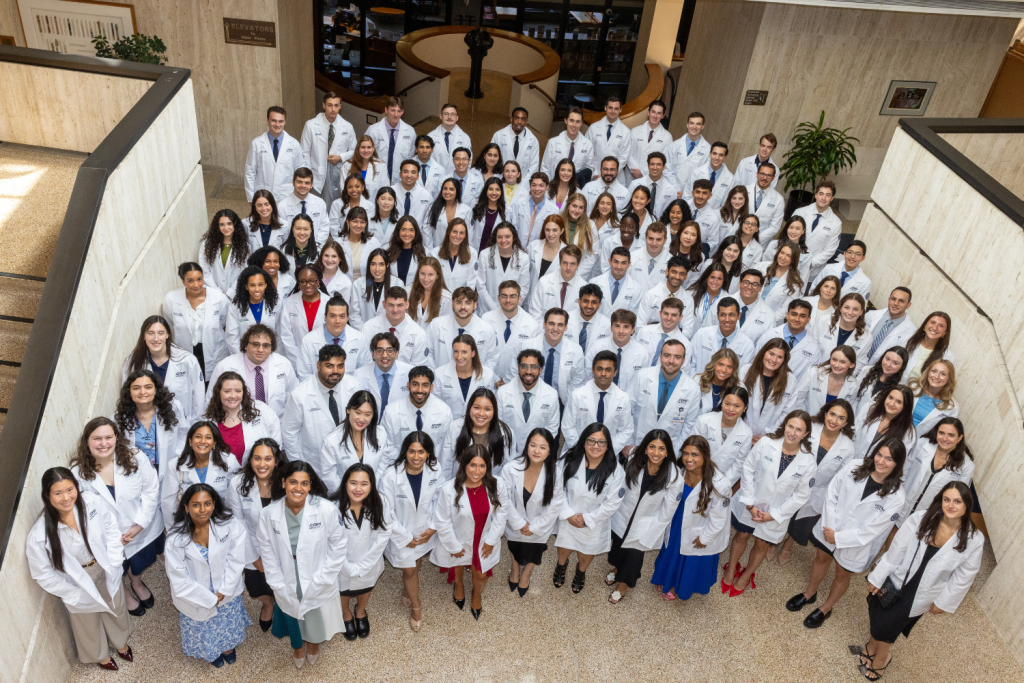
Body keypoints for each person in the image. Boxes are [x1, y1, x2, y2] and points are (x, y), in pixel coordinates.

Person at [860, 482, 984, 680]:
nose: (951, 505)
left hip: (923, 591)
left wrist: (944, 602)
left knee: (890, 625)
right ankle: (873, 644)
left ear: (967, 505)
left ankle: (882, 657)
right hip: (897, 579)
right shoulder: (921, 518)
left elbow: (965, 576)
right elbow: (896, 550)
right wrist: (879, 575)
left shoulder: (974, 539)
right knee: (876, 610)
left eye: (957, 501)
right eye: (947, 499)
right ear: (940, 501)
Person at [787, 439, 907, 629]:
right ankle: (809, 594)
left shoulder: (897, 496)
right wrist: (830, 528)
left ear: (898, 464)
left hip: (855, 543)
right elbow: (832, 493)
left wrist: (839, 538)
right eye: (879, 455)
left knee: (842, 575)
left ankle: (826, 608)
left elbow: (873, 530)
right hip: (830, 528)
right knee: (820, 559)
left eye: (889, 459)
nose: (881, 462)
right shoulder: (855, 466)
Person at [26, 468, 133, 670]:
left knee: (115, 605)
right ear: (47, 497)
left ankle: (121, 643)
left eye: (70, 489)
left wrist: (114, 560)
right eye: (58, 493)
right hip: (75, 580)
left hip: (103, 565)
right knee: (86, 621)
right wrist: (73, 593)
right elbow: (43, 574)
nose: (66, 498)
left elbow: (111, 527)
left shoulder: (91, 502)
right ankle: (100, 656)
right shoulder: (39, 534)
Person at [258, 461, 347, 669]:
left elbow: (339, 545)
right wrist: (275, 580)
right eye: (293, 482)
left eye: (304, 483)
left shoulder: (326, 509)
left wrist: (324, 576)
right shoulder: (269, 514)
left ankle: (313, 644)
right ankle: (298, 646)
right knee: (291, 609)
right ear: (283, 482)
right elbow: (268, 551)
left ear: (310, 485)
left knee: (314, 611)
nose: (298, 488)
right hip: (286, 572)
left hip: (317, 570)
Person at [71, 416, 161, 617]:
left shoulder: (135, 456)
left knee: (139, 563)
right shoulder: (77, 474)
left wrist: (139, 525)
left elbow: (151, 490)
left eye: (108, 437)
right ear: (87, 441)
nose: (103, 443)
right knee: (115, 568)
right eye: (97, 438)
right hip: (107, 539)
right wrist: (110, 537)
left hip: (140, 529)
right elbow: (78, 513)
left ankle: (136, 583)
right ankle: (126, 594)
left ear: (116, 438)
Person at [724, 410, 814, 595]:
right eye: (790, 426)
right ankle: (731, 569)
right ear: (784, 425)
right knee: (741, 536)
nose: (792, 432)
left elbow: (801, 495)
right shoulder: (767, 443)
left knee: (761, 545)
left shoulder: (808, 461)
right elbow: (748, 469)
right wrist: (750, 505)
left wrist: (774, 515)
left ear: (805, 434)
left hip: (776, 513)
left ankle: (746, 575)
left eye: (799, 430)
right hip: (751, 503)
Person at [165, 484, 250, 667]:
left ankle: (228, 647)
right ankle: (211, 652)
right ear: (186, 507)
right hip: (194, 594)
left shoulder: (229, 525)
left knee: (227, 620)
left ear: (214, 504)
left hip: (226, 588)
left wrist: (225, 589)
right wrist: (207, 597)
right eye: (196, 505)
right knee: (203, 626)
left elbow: (236, 559)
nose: (202, 510)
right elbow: (178, 577)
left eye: (207, 504)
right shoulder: (175, 538)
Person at [430, 445, 511, 619]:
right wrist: (453, 546)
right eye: (472, 465)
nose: (477, 471)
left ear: (488, 467)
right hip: (457, 538)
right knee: (458, 562)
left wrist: (491, 541)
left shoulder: (497, 485)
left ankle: (476, 594)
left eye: (482, 466)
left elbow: (502, 513)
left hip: (484, 539)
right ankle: (458, 584)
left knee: (480, 575)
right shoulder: (449, 489)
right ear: (464, 465)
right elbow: (442, 521)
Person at [650, 434, 732, 601]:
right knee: (672, 552)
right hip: (677, 522)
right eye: (685, 453)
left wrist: (705, 537)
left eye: (695, 454)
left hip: (701, 528)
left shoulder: (720, 484)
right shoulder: (679, 471)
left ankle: (679, 586)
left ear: (705, 456)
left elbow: (719, 519)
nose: (688, 459)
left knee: (690, 560)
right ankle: (666, 579)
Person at [776, 399, 856, 566]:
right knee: (781, 510)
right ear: (825, 413)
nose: (834, 420)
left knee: (801, 522)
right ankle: (772, 542)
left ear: (846, 423)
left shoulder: (848, 447)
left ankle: (787, 546)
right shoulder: (810, 427)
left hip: (818, 490)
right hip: (793, 479)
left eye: (840, 418)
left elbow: (840, 477)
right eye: (832, 414)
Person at [606, 429, 683, 603]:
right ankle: (617, 568)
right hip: (623, 515)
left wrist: (653, 530)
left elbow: (668, 509)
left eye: (661, 448)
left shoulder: (674, 475)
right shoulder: (634, 457)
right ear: (645, 448)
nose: (656, 453)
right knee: (617, 547)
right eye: (652, 447)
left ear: (668, 451)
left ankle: (624, 584)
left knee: (634, 556)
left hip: (647, 522)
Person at [380, 432, 445, 631]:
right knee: (409, 570)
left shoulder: (435, 471)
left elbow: (441, 501)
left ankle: (408, 591)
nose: (416, 457)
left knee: (415, 566)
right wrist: (405, 537)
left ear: (428, 454)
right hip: (400, 533)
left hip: (424, 531)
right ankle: (417, 608)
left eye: (421, 452)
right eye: (411, 451)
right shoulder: (391, 476)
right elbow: (385, 512)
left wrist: (433, 527)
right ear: (405, 452)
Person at [553, 423, 625, 593]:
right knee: (565, 544)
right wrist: (568, 514)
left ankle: (581, 572)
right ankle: (561, 566)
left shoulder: (616, 470)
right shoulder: (567, 459)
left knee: (588, 548)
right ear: (583, 441)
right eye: (591, 440)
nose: (596, 446)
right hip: (568, 515)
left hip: (595, 520)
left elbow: (612, 503)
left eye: (601, 442)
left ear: (608, 446)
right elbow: (556, 489)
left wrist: (588, 519)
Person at [224, 438, 286, 631]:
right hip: (251, 545)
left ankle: (285, 608)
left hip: (283, 545)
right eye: (257, 458)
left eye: (268, 458)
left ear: (276, 461)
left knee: (284, 585)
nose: (262, 464)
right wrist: (256, 559)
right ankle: (269, 604)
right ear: (250, 460)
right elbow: (238, 525)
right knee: (256, 588)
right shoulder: (238, 483)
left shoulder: (286, 481)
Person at [501, 428, 565, 596]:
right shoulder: (511, 468)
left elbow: (556, 504)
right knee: (514, 545)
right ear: (527, 446)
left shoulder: (556, 473)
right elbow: (504, 499)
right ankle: (515, 568)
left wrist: (535, 526)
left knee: (536, 550)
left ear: (550, 450)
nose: (537, 451)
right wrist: (520, 523)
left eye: (543, 447)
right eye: (533, 445)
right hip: (515, 522)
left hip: (540, 524)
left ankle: (527, 572)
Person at [330, 464, 391, 640]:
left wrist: (366, 563)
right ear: (345, 484)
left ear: (371, 485)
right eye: (353, 483)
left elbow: (385, 532)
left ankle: (360, 611)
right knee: (343, 591)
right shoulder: (332, 507)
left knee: (366, 585)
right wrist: (347, 567)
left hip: (370, 560)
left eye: (364, 484)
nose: (358, 489)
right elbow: (329, 543)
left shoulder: (381, 502)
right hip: (341, 564)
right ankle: (346, 614)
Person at [282, 344, 360, 473]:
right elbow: (289, 434)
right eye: (329, 366)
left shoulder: (354, 386)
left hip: (348, 461)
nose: (335, 371)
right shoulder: (299, 395)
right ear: (318, 365)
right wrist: (300, 468)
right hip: (314, 465)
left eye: (340, 366)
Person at [498, 307, 585, 408]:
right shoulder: (526, 346)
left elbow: (577, 382)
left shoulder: (576, 351)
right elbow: (513, 375)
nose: (555, 328)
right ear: (544, 324)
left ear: (566, 327)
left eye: (560, 325)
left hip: (560, 403)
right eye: (551, 323)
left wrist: (566, 402)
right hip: (527, 399)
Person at [204, 324, 297, 419]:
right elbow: (211, 401)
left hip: (276, 424)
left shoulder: (284, 365)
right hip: (237, 424)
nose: (260, 350)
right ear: (245, 345)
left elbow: (294, 399)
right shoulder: (225, 366)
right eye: (255, 344)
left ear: (271, 348)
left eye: (266, 345)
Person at [122, 315, 204, 422]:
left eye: (160, 333)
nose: (156, 338)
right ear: (143, 336)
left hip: (182, 425)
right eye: (150, 333)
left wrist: (195, 426)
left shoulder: (187, 360)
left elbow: (199, 397)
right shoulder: (132, 363)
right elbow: (126, 397)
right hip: (147, 424)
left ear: (167, 335)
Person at [161, 421, 240, 529]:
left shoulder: (229, 461)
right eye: (198, 437)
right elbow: (168, 504)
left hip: (222, 523)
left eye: (208, 437)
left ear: (214, 442)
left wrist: (234, 527)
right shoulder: (175, 465)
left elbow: (236, 498)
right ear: (190, 441)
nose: (203, 441)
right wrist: (174, 531)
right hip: (187, 525)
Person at [113, 369, 185, 488]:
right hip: (138, 473)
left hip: (169, 467)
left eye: (148, 387)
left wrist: (177, 457)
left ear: (156, 389)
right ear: (129, 392)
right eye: (136, 388)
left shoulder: (172, 409)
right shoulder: (120, 417)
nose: (142, 392)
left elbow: (184, 433)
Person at [628, 339, 702, 447]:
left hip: (669, 451)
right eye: (667, 355)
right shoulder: (642, 376)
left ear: (683, 360)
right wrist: (628, 443)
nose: (671, 361)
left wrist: (676, 454)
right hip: (637, 445)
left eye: (677, 357)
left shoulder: (692, 389)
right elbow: (627, 411)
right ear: (660, 356)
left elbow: (689, 426)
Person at [562, 349, 635, 454]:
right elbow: (568, 427)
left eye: (608, 370)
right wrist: (583, 450)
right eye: (599, 369)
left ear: (615, 372)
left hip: (608, 453)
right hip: (578, 451)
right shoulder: (577, 395)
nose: (603, 374)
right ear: (593, 370)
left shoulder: (623, 398)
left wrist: (608, 450)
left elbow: (626, 430)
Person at [203, 371, 281, 466]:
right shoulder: (209, 420)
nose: (233, 396)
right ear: (218, 392)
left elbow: (276, 438)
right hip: (222, 475)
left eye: (238, 391)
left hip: (257, 472)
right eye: (227, 391)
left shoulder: (260, 409)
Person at [321, 391, 393, 493]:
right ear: (348, 410)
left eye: (367, 414)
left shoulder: (380, 434)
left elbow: (383, 467)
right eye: (358, 413)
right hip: (342, 496)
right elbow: (329, 475)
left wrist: (368, 491)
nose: (361, 419)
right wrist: (351, 494)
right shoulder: (332, 440)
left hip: (372, 494)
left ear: (373, 415)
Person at [439, 387, 516, 478]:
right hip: (460, 486)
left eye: (487, 409)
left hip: (492, 487)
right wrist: (447, 490)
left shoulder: (506, 433)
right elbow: (445, 464)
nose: (481, 414)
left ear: (494, 411)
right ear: (469, 407)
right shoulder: (455, 428)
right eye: (476, 408)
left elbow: (509, 468)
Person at [381, 365, 453, 460]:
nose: (419, 390)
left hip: (432, 467)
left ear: (431, 388)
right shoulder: (391, 411)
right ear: (408, 386)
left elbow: (445, 449)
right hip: (400, 466)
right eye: (415, 384)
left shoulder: (444, 411)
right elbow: (387, 447)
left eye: (425, 385)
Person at [301, 91, 355, 208]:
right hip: (316, 174)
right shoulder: (311, 125)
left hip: (337, 173)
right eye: (330, 105)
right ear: (324, 105)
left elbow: (355, 151)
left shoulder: (347, 126)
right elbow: (304, 152)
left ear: (340, 106)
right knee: (315, 209)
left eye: (336, 105)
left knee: (335, 208)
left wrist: (341, 157)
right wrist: (308, 175)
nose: (333, 109)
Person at [690, 385, 752, 487]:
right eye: (727, 404)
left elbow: (738, 465)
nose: (731, 409)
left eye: (737, 406)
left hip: (721, 483)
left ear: (745, 408)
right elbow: (691, 450)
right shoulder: (704, 421)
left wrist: (720, 484)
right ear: (722, 403)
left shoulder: (746, 433)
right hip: (695, 474)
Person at [741, 339, 800, 440]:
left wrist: (769, 435)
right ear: (763, 353)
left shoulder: (790, 380)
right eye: (771, 354)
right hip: (742, 432)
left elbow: (787, 413)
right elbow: (737, 403)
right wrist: (745, 432)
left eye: (780, 357)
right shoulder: (746, 371)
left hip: (770, 437)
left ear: (784, 360)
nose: (774, 360)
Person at [297, 294, 364, 381]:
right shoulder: (308, 341)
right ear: (325, 316)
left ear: (348, 317)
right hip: (318, 391)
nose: (337, 321)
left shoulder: (360, 339)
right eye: (332, 316)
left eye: (342, 316)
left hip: (350, 392)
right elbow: (304, 376)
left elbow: (363, 373)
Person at [428, 286, 498, 369]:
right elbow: (428, 354)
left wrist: (479, 378)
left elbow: (491, 359)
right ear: (452, 304)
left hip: (474, 380)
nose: (463, 307)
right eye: (459, 302)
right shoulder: (436, 325)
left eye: (468, 303)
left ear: (475, 305)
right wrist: (436, 376)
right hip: (441, 379)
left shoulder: (487, 329)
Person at [360, 285, 430, 366]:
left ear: (407, 304)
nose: (395, 310)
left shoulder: (419, 334)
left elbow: (417, 368)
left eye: (400, 305)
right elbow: (365, 362)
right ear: (384, 304)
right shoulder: (368, 327)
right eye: (391, 305)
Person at [351, 331, 413, 422]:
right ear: (373, 354)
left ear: (396, 353)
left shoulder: (410, 373)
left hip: (400, 424)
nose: (384, 355)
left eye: (390, 350)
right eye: (380, 351)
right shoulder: (358, 375)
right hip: (369, 425)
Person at [245, 106, 303, 202]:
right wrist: (251, 199)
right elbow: (250, 173)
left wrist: (299, 196)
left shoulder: (294, 144)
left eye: (280, 121)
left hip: (287, 197)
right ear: (268, 120)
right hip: (263, 197)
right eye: (274, 121)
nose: (277, 124)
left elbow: (300, 172)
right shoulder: (257, 144)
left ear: (285, 122)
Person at [792, 180, 842, 287]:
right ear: (815, 195)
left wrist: (809, 263)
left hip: (813, 269)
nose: (823, 198)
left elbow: (829, 251)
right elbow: (788, 237)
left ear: (832, 198)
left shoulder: (836, 223)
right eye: (821, 194)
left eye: (827, 195)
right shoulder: (800, 212)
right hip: (792, 261)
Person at [277, 264, 329, 367]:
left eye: (312, 280)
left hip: (325, 357)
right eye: (303, 281)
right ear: (298, 283)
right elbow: (286, 335)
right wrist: (298, 361)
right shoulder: (289, 302)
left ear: (318, 281)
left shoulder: (329, 302)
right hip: (295, 359)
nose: (307, 285)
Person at [688, 297, 755, 376]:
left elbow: (743, 375)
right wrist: (699, 384)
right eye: (723, 315)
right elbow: (691, 365)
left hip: (729, 387)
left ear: (739, 316)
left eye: (731, 315)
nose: (727, 319)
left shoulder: (747, 345)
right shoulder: (702, 334)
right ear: (717, 315)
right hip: (699, 385)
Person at [475, 222, 533, 313]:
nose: (503, 240)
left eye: (507, 236)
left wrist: (510, 306)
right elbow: (480, 286)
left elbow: (523, 288)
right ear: (495, 238)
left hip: (511, 309)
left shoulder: (523, 257)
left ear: (513, 237)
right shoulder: (485, 254)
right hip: (487, 309)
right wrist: (494, 308)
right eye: (499, 237)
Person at [756, 299, 819, 381]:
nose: (797, 319)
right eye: (794, 314)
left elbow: (809, 379)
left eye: (802, 316)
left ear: (808, 319)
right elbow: (756, 360)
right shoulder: (770, 335)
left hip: (791, 391)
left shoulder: (813, 349)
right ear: (787, 315)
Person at [583, 309, 646, 390]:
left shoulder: (642, 353)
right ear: (611, 327)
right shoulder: (597, 347)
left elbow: (641, 384)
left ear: (633, 330)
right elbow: (587, 376)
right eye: (617, 326)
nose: (621, 331)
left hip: (628, 400)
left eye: (626, 327)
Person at [635, 252, 694, 335]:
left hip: (674, 344)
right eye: (674, 272)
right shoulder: (651, 294)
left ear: (686, 276)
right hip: (650, 341)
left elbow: (687, 332)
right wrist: (676, 329)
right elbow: (640, 327)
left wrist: (653, 325)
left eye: (681, 274)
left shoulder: (688, 300)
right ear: (667, 272)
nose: (677, 277)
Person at [226, 265, 281, 353]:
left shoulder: (276, 304)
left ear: (266, 285)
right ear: (246, 286)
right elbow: (232, 337)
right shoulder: (235, 306)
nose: (257, 289)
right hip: (244, 355)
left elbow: (279, 334)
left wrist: (273, 355)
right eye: (252, 285)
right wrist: (243, 359)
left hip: (270, 354)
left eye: (260, 285)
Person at [855, 385, 918, 459]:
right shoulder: (870, 408)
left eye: (898, 402)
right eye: (890, 398)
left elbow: (898, 459)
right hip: (852, 461)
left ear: (905, 407)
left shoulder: (908, 433)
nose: (891, 404)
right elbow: (854, 433)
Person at [198, 209, 251, 296]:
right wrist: (217, 291)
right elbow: (204, 270)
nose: (226, 228)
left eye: (229, 224)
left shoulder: (244, 247)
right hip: (212, 293)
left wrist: (230, 293)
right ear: (217, 226)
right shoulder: (207, 244)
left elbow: (243, 272)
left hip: (235, 294)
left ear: (235, 225)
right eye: (222, 225)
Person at [482, 280, 541, 358]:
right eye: (504, 296)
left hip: (517, 370)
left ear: (519, 298)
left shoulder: (532, 325)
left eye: (512, 296)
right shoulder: (485, 319)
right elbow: (482, 352)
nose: (508, 300)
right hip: (491, 369)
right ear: (498, 298)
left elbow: (531, 358)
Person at [366, 96, 417, 184]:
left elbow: (410, 158)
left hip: (401, 179)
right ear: (386, 110)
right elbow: (365, 154)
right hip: (377, 176)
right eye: (392, 110)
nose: (396, 114)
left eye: (399, 111)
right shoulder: (373, 130)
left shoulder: (410, 132)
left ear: (402, 112)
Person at [796, 346, 858, 416]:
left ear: (852, 365)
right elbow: (798, 399)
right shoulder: (813, 372)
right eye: (834, 360)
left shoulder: (853, 385)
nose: (837, 365)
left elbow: (848, 411)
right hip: (807, 420)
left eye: (842, 362)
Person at [816, 293, 873, 368]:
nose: (850, 312)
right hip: (816, 370)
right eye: (847, 307)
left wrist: (840, 377)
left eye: (855, 309)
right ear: (840, 308)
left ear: (861, 312)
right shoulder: (823, 321)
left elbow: (859, 364)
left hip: (841, 377)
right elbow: (811, 348)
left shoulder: (866, 337)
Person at [529, 245, 586, 319]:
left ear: (578, 265)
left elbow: (582, 318)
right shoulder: (544, 282)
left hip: (571, 330)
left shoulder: (584, 287)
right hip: (544, 329)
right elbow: (535, 313)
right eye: (565, 263)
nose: (568, 268)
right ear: (560, 263)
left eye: (572, 264)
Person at [865, 287, 915, 366]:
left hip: (878, 371)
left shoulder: (911, 332)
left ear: (908, 305)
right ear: (889, 300)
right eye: (893, 299)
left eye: (901, 301)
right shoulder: (871, 315)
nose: (896, 303)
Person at [507, 171, 559, 247]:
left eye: (541, 185)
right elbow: (512, 227)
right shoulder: (519, 204)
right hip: (516, 247)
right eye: (534, 185)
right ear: (530, 185)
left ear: (547, 187)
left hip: (538, 250)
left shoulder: (553, 210)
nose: (537, 189)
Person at [909, 359, 959, 437]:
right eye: (934, 371)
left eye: (943, 374)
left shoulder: (952, 407)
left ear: (949, 379)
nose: (936, 376)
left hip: (920, 444)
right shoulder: (912, 388)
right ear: (928, 372)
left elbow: (945, 433)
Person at [542, 107, 594, 182]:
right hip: (554, 187)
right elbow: (545, 169)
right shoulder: (552, 143)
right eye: (571, 120)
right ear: (565, 120)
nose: (574, 125)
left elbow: (589, 170)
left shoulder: (588, 145)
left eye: (577, 122)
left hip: (576, 188)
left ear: (581, 124)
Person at [278, 169, 329, 245]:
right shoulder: (282, 206)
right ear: (293, 183)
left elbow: (324, 228)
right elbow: (283, 233)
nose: (303, 186)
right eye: (299, 182)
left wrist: (316, 246)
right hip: (291, 250)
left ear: (311, 185)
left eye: (307, 183)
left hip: (315, 248)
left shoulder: (320, 203)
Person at [853, 346, 908, 415]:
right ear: (882, 357)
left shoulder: (900, 386)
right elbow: (853, 395)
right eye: (887, 359)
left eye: (895, 363)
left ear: (902, 367)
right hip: (853, 413)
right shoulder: (867, 371)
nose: (888, 364)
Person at [587, 97, 631, 183]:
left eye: (616, 108)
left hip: (615, 177)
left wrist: (610, 173)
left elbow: (624, 157)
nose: (613, 111)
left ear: (620, 110)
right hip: (595, 173)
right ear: (605, 108)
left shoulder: (626, 132)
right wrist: (595, 172)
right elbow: (588, 152)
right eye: (610, 108)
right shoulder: (593, 128)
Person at [627, 100, 673, 181]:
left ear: (663, 116)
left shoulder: (667, 137)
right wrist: (635, 170)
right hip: (631, 175)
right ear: (648, 113)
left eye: (659, 113)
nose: (655, 116)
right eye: (653, 112)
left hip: (651, 177)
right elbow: (627, 152)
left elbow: (664, 160)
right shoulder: (635, 131)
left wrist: (643, 172)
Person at [635, 298, 688, 366]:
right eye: (666, 313)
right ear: (660, 313)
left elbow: (683, 371)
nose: (669, 318)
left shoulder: (685, 344)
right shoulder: (644, 331)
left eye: (673, 315)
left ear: (680, 317)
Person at [756, 242, 804, 317]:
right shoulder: (761, 267)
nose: (783, 257)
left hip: (771, 319)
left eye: (788, 255)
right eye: (782, 253)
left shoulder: (794, 282)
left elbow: (785, 309)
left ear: (793, 260)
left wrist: (768, 319)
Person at [903, 312, 954, 381]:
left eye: (941, 326)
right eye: (933, 322)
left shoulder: (947, 357)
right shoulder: (906, 340)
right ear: (925, 326)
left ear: (944, 333)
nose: (935, 327)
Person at [429, 215, 476, 291]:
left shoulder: (472, 253)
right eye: (454, 232)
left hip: (462, 299)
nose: (458, 236)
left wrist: (461, 300)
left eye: (461, 233)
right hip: (440, 299)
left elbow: (471, 282)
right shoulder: (434, 254)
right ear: (448, 232)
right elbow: (432, 281)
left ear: (465, 235)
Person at [628, 151, 679, 220]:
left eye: (659, 164)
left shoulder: (671, 190)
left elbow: (670, 214)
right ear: (648, 166)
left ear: (664, 167)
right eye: (652, 164)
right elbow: (627, 207)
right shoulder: (635, 184)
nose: (655, 167)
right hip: (636, 223)